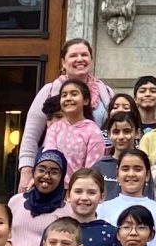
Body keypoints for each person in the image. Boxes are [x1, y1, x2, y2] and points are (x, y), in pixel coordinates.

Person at [18, 39, 114, 176]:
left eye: (84, 55)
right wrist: (26, 171)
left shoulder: (106, 92)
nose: (80, 59)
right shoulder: (49, 91)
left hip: (95, 168)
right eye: (73, 55)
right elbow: (30, 136)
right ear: (63, 62)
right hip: (54, 170)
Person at [33, 76, 106, 177]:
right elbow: (49, 158)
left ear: (86, 100)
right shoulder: (54, 128)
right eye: (64, 95)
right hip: (53, 186)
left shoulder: (93, 131)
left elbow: (92, 170)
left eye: (74, 94)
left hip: (80, 188)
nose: (68, 98)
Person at [9, 154, 69, 246]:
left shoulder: (68, 211)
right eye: (41, 170)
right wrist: (6, 244)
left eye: (54, 172)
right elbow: (5, 232)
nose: (46, 176)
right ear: (33, 172)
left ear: (62, 176)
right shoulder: (15, 202)